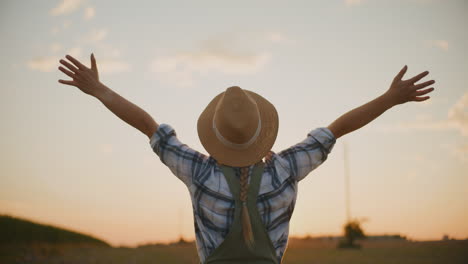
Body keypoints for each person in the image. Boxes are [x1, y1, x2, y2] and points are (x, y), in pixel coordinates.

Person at [58, 53, 435, 263]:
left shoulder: (199, 172)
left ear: (215, 135)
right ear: (261, 133)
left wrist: (99, 89)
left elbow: (148, 126)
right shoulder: (285, 170)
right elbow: (337, 129)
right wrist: (390, 98)